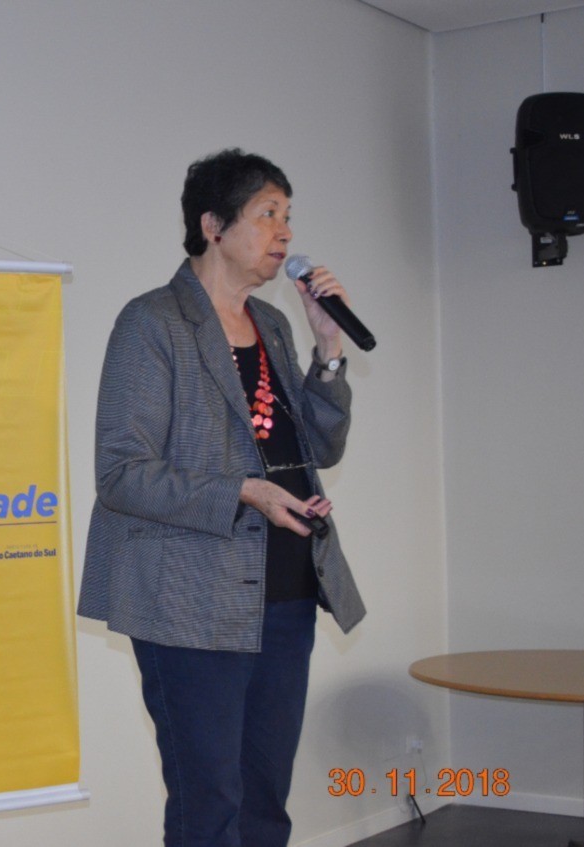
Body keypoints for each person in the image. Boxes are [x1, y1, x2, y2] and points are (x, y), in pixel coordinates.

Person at [77, 148, 366, 847]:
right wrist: (242, 491)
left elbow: (319, 449)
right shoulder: (153, 322)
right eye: (267, 214)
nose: (284, 233)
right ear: (213, 225)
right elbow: (121, 472)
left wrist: (328, 349)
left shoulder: (273, 326)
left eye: (288, 216)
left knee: (266, 802)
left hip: (286, 589)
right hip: (190, 600)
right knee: (210, 807)